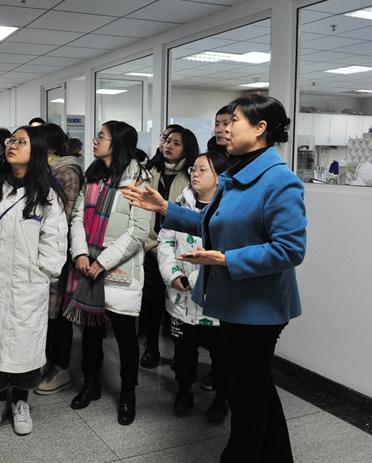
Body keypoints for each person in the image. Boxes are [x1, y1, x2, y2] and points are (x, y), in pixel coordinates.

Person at [123, 94, 307, 462]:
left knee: (246, 402)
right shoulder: (237, 175)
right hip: (235, 302)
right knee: (258, 390)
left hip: (258, 308)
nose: (224, 128)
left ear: (260, 128)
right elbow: (213, 224)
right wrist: (165, 208)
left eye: (233, 121)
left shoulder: (279, 180)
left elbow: (291, 249)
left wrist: (226, 259)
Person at [0, 126, 68, 435]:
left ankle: (21, 400)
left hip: (27, 285)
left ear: (36, 151)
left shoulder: (48, 194)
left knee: (25, 347)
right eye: (12, 140)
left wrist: (41, 271)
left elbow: (55, 239)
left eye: (22, 142)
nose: (12, 145)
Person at [64, 121, 152, 426]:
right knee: (91, 331)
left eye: (101, 136)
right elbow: (78, 216)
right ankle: (92, 383)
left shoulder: (139, 179)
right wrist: (80, 252)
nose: (95, 140)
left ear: (118, 143)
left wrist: (102, 261)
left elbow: (138, 231)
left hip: (119, 270)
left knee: (126, 337)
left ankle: (128, 392)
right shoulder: (93, 175)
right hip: (88, 266)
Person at [156, 151, 231, 422]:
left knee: (222, 355)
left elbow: (224, 255)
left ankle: (222, 398)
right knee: (183, 351)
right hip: (181, 297)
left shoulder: (229, 209)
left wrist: (196, 281)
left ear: (219, 177)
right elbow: (165, 241)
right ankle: (184, 391)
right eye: (193, 170)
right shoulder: (181, 203)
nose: (195, 174)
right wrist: (173, 275)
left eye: (202, 170)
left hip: (216, 302)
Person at [138, 125, 199, 369]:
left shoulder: (191, 176)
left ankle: (180, 353)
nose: (168, 146)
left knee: (179, 303)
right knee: (151, 303)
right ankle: (151, 347)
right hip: (150, 247)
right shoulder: (149, 172)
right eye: (166, 140)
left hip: (180, 252)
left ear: (186, 148)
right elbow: (138, 211)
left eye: (176, 143)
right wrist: (151, 245)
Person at [34, 123, 83, 396]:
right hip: (37, 250)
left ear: (49, 146)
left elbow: (65, 216)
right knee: (43, 312)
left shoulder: (67, 172)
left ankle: (62, 368)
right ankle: (46, 360)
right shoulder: (42, 169)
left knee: (58, 314)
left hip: (57, 252)